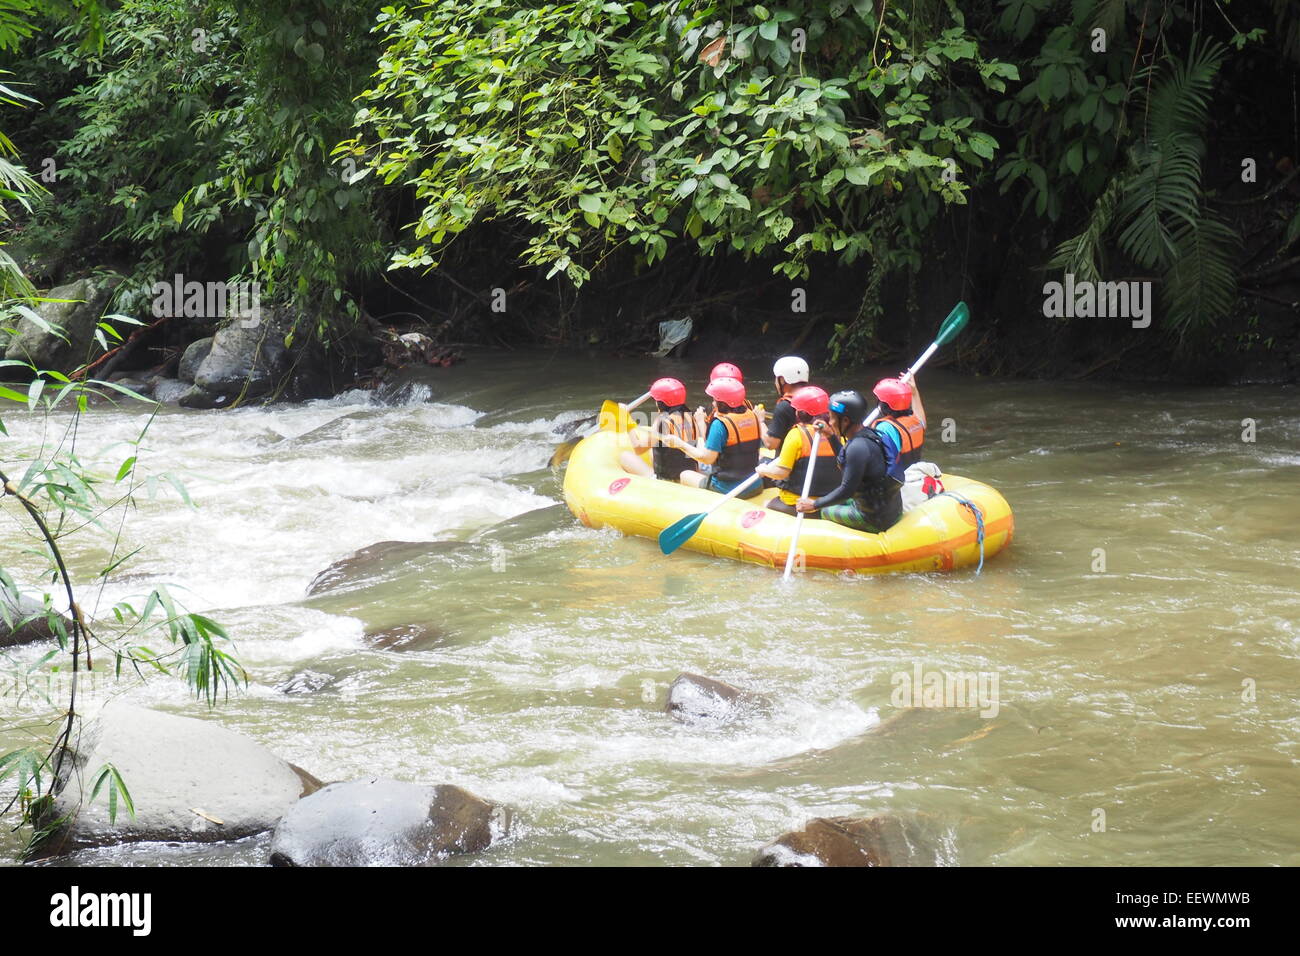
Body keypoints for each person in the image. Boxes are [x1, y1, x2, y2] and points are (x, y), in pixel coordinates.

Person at [796, 389, 902, 533]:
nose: (830, 422)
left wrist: (815, 504)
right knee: (831, 499)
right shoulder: (870, 435)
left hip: (874, 519)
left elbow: (847, 490)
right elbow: (846, 460)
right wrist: (830, 435)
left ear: (845, 420)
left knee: (824, 510)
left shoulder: (857, 447)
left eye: (832, 418)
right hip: (889, 509)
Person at [666, 376, 764, 497]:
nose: (713, 403)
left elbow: (707, 459)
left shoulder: (719, 424)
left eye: (714, 400)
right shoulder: (753, 415)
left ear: (723, 402)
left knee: (685, 474)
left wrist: (680, 444)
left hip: (728, 489)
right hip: (755, 484)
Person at [756, 385, 841, 516]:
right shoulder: (837, 433)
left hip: (799, 503)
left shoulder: (796, 434)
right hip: (830, 501)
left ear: (800, 413)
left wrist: (764, 470)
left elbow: (781, 472)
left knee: (766, 505)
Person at [619, 378, 697, 480]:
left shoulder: (661, 421)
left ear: (661, 403)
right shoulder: (692, 416)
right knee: (653, 451)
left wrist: (627, 422)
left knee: (625, 456)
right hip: (689, 474)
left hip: (668, 480)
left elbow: (638, 448)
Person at [871, 377, 927, 483]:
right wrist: (914, 391)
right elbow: (921, 416)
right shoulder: (916, 421)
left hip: (898, 482)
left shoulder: (884, 428)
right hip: (915, 475)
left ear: (884, 405)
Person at [764, 355, 811, 449]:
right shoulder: (816, 399)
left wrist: (760, 421)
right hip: (813, 459)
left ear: (782, 380)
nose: (775, 383)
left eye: (776, 379)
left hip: (790, 462)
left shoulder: (784, 406)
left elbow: (771, 445)